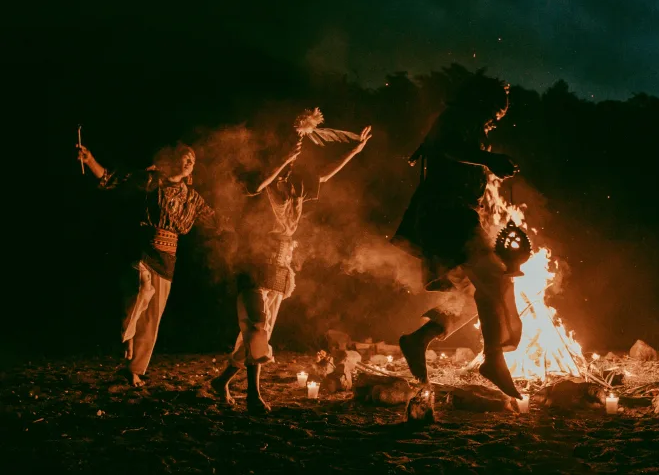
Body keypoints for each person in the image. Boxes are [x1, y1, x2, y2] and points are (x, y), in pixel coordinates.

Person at [210, 110, 372, 414]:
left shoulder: (296, 182)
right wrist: (283, 159)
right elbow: (255, 187)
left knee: (259, 331)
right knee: (256, 327)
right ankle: (253, 396)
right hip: (253, 262)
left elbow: (323, 173)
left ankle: (222, 381)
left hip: (281, 266)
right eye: (290, 147)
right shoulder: (260, 174)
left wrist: (354, 150)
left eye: (296, 149)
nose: (296, 153)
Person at [391, 74, 524, 399]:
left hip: (451, 214)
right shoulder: (458, 119)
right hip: (445, 213)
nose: (496, 118)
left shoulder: (463, 125)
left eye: (501, 114)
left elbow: (443, 145)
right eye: (494, 110)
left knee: (473, 297)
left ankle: (419, 339)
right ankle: (493, 360)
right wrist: (489, 159)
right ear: (479, 101)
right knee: (495, 281)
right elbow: (449, 147)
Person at [78, 142, 219, 387]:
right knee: (140, 290)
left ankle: (133, 369)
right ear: (173, 159)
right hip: (142, 248)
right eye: (185, 158)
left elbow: (216, 221)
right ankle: (126, 337)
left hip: (168, 258)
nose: (189, 164)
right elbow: (112, 179)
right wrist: (90, 160)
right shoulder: (150, 180)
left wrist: (247, 224)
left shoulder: (192, 198)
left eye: (192, 161)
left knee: (152, 318)